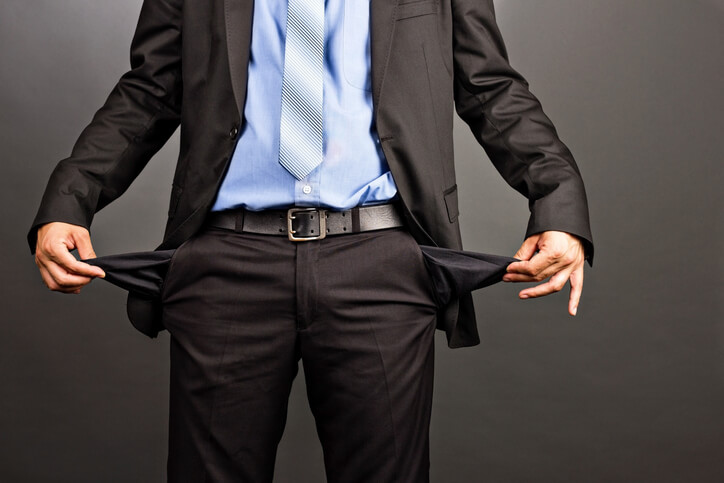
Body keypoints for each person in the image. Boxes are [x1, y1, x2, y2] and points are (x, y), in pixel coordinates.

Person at [29, 0, 594, 481]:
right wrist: (69, 199)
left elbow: (489, 86)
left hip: (381, 266)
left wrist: (558, 201)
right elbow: (148, 91)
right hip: (227, 265)